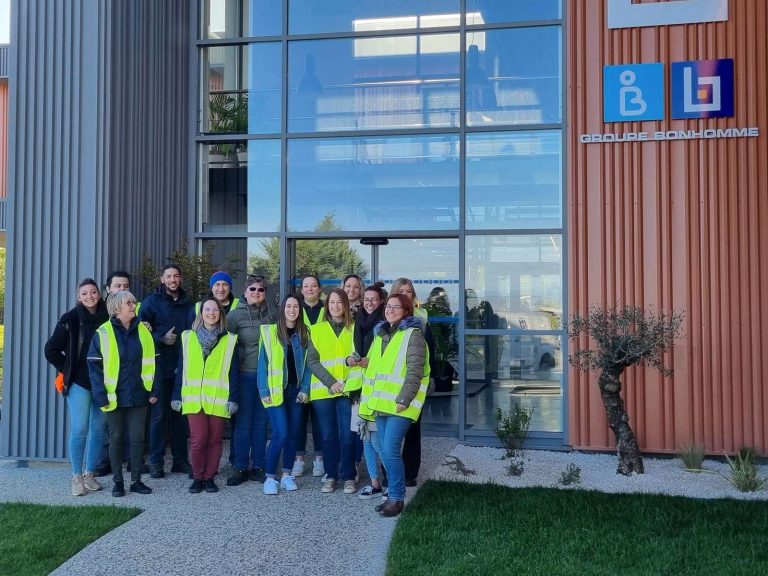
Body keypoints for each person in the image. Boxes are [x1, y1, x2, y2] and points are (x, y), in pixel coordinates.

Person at [360, 293, 429, 517]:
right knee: (383, 449)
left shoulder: (413, 335)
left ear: (407, 310)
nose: (390, 310)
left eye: (395, 307)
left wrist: (404, 399)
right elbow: (378, 368)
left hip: (400, 404)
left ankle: (397, 498)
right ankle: (392, 496)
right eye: (388, 306)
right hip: (380, 403)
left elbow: (415, 371)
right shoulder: (381, 334)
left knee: (390, 450)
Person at [88, 291, 158, 497]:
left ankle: (136, 481)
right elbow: (94, 367)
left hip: (138, 394)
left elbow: (154, 362)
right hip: (113, 395)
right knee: (116, 438)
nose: (133, 305)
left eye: (134, 301)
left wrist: (153, 390)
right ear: (117, 307)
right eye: (129, 302)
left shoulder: (143, 331)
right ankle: (118, 482)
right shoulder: (103, 332)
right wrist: (100, 394)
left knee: (138, 438)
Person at [45, 278, 110, 496]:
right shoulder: (70, 319)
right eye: (85, 293)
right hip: (79, 383)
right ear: (78, 297)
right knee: (80, 429)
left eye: (93, 292)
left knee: (99, 429)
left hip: (103, 382)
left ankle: (90, 474)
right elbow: (51, 350)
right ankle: (76, 476)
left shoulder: (109, 317)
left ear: (99, 295)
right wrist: (68, 367)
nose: (90, 296)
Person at [172, 297, 239, 494]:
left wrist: (233, 397)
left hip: (218, 397)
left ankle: (209, 478)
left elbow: (233, 371)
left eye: (215, 310)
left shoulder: (230, 339)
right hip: (193, 397)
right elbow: (181, 368)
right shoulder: (187, 337)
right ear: (201, 314)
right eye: (207, 309)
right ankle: (198, 476)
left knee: (215, 440)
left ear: (220, 314)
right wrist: (176, 395)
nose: (211, 313)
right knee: (198, 439)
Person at [139, 264, 195, 478]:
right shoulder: (150, 302)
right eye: (169, 276)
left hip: (183, 367)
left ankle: (180, 461)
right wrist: (159, 339)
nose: (173, 279)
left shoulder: (189, 303)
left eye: (176, 276)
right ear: (162, 279)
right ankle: (156, 462)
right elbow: (140, 333)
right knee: (159, 417)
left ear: (180, 279)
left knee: (181, 416)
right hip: (159, 367)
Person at [307, 288, 361, 494]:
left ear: (346, 305)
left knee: (348, 435)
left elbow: (358, 356)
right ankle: (331, 476)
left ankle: (348, 476)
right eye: (332, 303)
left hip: (348, 390)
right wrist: (331, 382)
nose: (336, 306)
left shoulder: (355, 328)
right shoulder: (317, 329)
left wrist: (345, 381)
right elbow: (312, 361)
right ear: (327, 306)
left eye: (339, 302)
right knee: (328, 436)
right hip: (324, 391)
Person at [257, 295, 311, 495]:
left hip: (296, 391)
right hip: (275, 391)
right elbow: (262, 364)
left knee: (293, 434)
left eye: (296, 306)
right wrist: (264, 391)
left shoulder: (306, 333)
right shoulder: (270, 332)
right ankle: (270, 477)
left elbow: (309, 366)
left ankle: (287, 475)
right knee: (281, 433)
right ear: (283, 310)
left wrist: (305, 389)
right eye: (288, 306)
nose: (292, 309)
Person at [226, 274, 277, 486]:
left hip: (265, 377)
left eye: (261, 290)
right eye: (253, 289)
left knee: (261, 423)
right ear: (245, 292)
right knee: (243, 423)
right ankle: (239, 466)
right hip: (245, 374)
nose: (257, 293)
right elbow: (226, 348)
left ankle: (258, 465)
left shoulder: (272, 314)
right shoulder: (234, 316)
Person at [389, 277, 434, 486]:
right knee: (389, 433)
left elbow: (430, 352)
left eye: (408, 291)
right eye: (400, 291)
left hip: (414, 383)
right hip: (390, 385)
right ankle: (390, 472)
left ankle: (410, 473)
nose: (405, 294)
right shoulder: (387, 318)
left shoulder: (422, 319)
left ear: (413, 296)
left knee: (413, 429)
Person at [353, 281, 387, 499]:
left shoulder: (385, 325)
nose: (370, 303)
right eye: (367, 300)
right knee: (365, 438)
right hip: (359, 390)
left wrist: (369, 363)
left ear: (381, 301)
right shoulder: (358, 322)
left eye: (374, 299)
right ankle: (374, 483)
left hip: (376, 390)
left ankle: (392, 483)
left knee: (377, 440)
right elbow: (353, 349)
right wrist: (351, 359)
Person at [293, 274, 325, 477]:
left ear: (319, 289)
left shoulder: (327, 309)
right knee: (299, 420)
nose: (310, 289)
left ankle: (319, 459)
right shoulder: (295, 309)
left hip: (322, 371)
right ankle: (298, 459)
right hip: (299, 371)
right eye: (306, 286)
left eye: (314, 286)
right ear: (301, 290)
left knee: (320, 420)